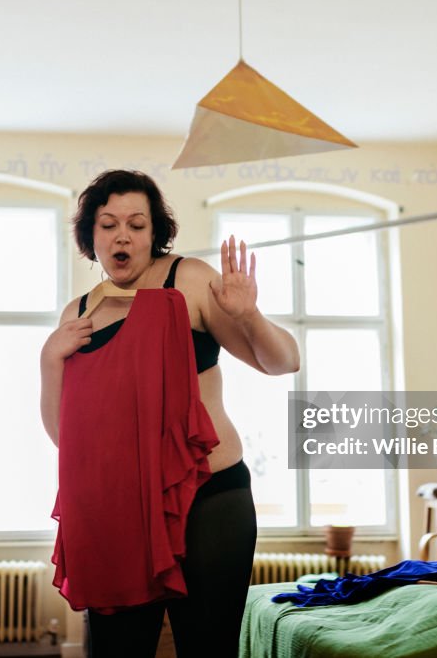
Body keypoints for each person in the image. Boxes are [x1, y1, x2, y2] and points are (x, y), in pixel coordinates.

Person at [40, 169, 299, 658]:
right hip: (118, 513)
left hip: (210, 499)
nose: (122, 235)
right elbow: (66, 436)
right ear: (90, 236)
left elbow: (283, 361)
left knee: (207, 647)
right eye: (108, 224)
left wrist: (248, 315)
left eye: (137, 225)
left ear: (154, 233)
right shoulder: (76, 315)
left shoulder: (192, 280)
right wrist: (49, 358)